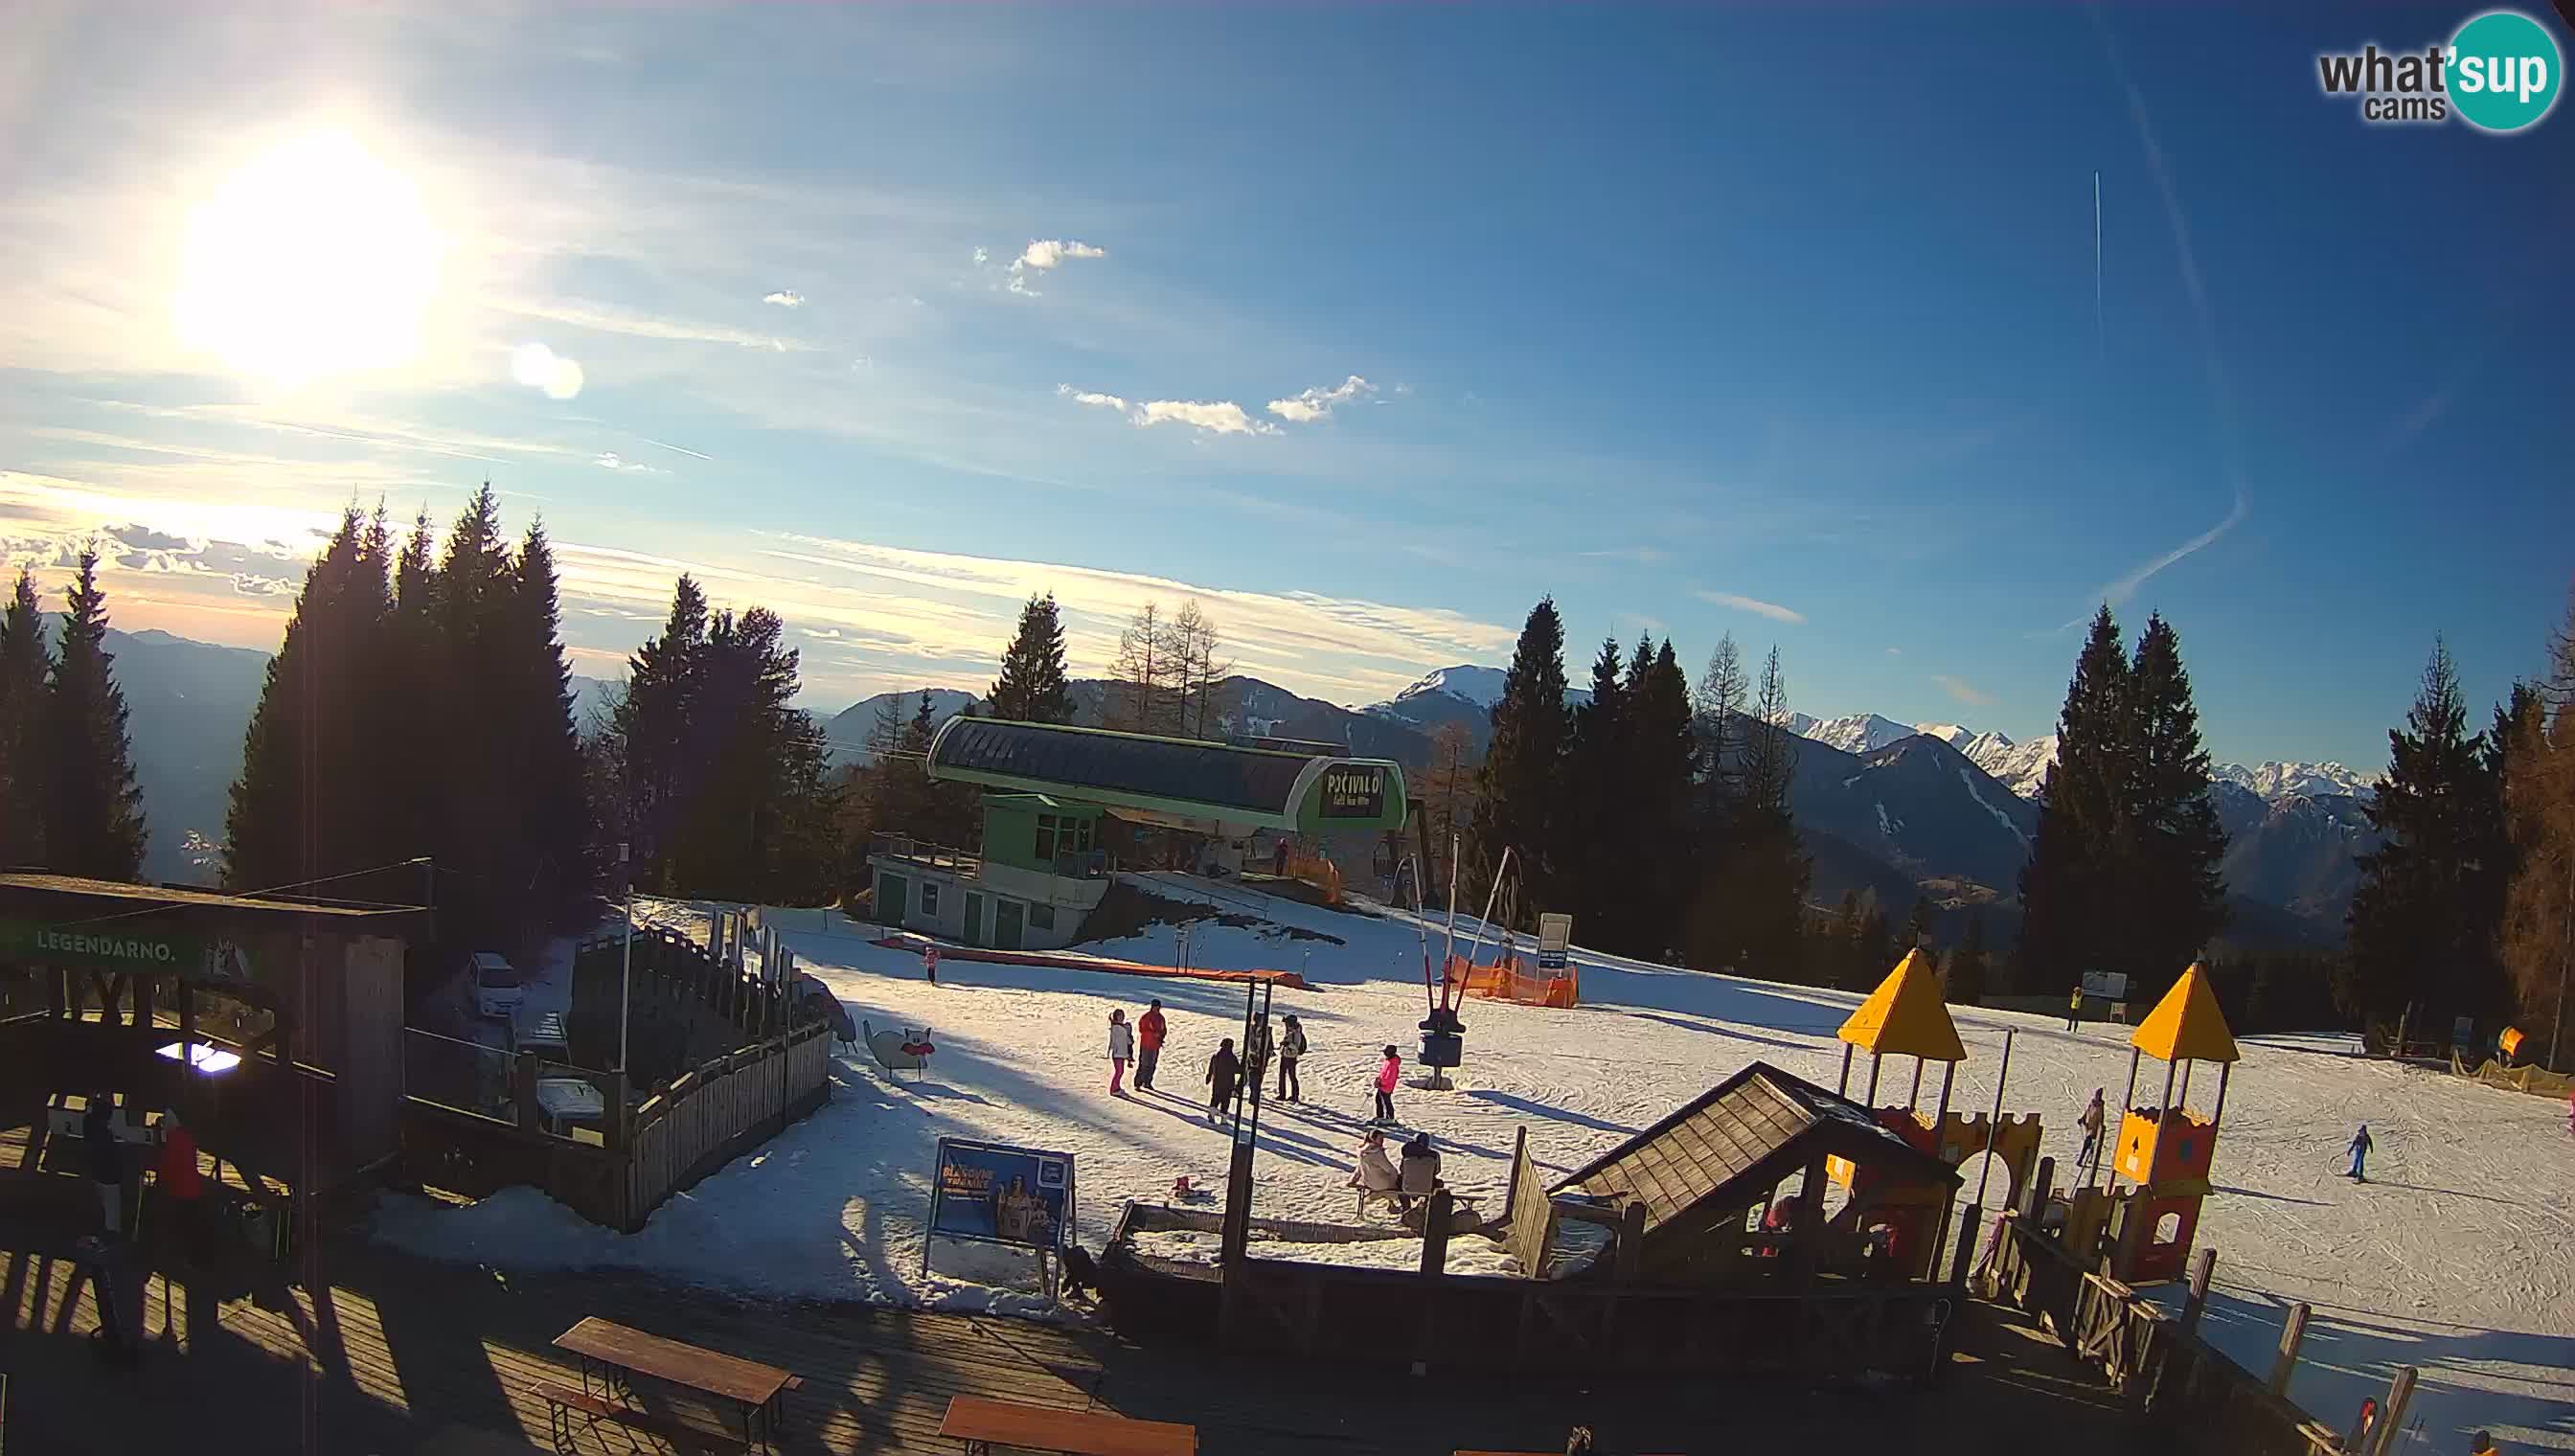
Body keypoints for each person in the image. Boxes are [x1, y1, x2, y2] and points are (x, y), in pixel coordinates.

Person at [157, 1109, 205, 1264]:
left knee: (184, 1225)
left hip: (180, 1190)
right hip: (193, 1187)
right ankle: (197, 1258)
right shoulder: (187, 1136)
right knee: (193, 1225)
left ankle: (189, 1257)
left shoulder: (172, 1138)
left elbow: (167, 1164)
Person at [83, 1092, 125, 1235]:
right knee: (112, 1210)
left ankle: (102, 1233)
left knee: (102, 1207)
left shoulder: (88, 1123)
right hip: (109, 1176)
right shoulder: (105, 1135)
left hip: (97, 1172)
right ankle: (111, 1235)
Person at [1349, 1128, 1400, 1203]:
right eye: (1381, 1139)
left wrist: (1353, 1180)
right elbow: (1390, 1169)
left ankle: (1387, 1201)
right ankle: (1393, 1202)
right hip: (1382, 1184)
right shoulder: (1377, 1153)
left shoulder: (1362, 1152)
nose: (1383, 1141)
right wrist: (1397, 1178)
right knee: (1396, 1180)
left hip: (1369, 1183)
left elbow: (1360, 1168)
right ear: (1374, 1139)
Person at [1398, 1131, 1441, 1213]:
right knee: (1439, 1184)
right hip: (1427, 1188)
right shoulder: (1434, 1155)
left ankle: (1406, 1209)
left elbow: (1402, 1170)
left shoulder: (1407, 1154)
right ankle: (1426, 1206)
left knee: (1399, 1181)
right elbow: (1437, 1171)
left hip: (1407, 1187)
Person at [1135, 999, 1167, 1091]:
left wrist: (1161, 1036)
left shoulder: (1161, 1018)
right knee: (1144, 1064)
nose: (1157, 1009)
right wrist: (1153, 1034)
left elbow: (1164, 1030)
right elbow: (1142, 1029)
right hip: (1146, 1044)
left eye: (1158, 1007)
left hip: (1155, 1045)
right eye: (1156, 1007)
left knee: (1152, 1064)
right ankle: (1138, 1083)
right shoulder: (1146, 1017)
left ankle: (1147, 1082)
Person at [1205, 1037, 1241, 1118]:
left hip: (1217, 1082)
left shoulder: (1216, 1056)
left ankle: (1211, 1114)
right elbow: (1237, 1070)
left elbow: (1211, 1068)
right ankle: (1223, 1119)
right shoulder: (1232, 1058)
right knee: (1225, 1101)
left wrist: (1209, 1076)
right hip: (1228, 1084)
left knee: (1215, 1098)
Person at [1277, 1014, 1308, 1102]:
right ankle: (1282, 1095)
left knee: (1292, 1077)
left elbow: (1296, 1048)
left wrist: (1288, 1044)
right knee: (1282, 1076)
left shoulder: (1297, 1033)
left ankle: (1295, 1095)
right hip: (1285, 1056)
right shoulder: (1290, 1031)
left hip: (1291, 1058)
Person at [2077, 1088, 2108, 1170]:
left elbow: (2101, 1117)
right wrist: (2082, 1119)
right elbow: (2087, 1111)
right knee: (2088, 1143)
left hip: (2095, 1128)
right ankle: (2085, 1158)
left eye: (2099, 1095)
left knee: (2090, 1143)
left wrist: (2101, 1127)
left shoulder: (2101, 1106)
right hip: (2089, 1126)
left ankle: (2084, 1159)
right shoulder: (2092, 1103)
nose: (2097, 1096)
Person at [1106, 1009, 1133, 1097]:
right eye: (1119, 1016)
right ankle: (1114, 1089)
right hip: (1118, 1053)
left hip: (1121, 1052)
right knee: (1119, 1071)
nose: (1121, 1017)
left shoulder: (1121, 1027)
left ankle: (1116, 1087)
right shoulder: (1116, 1028)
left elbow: (1127, 1040)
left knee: (1120, 1071)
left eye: (1122, 1016)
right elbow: (1119, 1040)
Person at [1373, 1045, 1401, 1124]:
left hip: (1386, 1087)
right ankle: (1380, 1116)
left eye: (1387, 1051)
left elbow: (1390, 1078)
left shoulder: (1393, 1064)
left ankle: (1390, 1118)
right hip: (1382, 1085)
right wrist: (1378, 1079)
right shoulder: (1388, 1061)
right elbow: (1383, 1073)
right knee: (1378, 1100)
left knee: (1386, 1102)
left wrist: (1381, 1083)